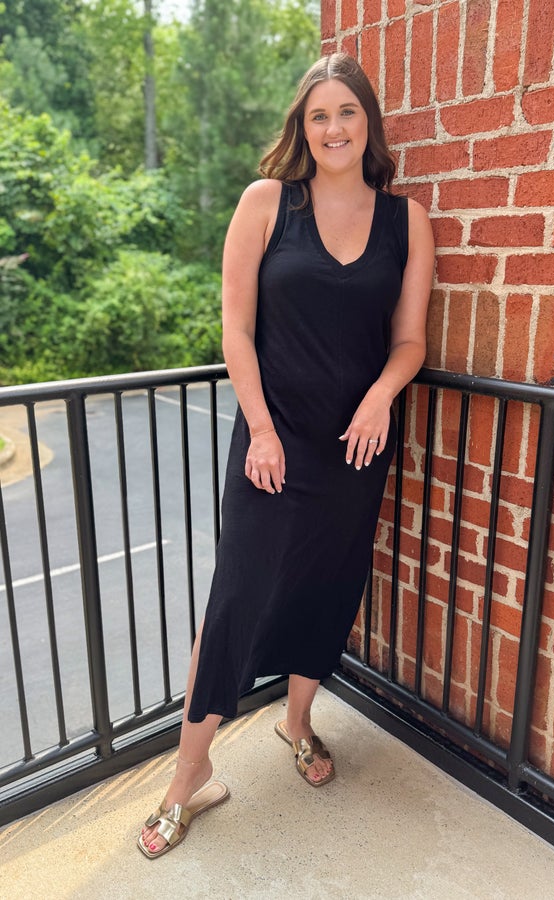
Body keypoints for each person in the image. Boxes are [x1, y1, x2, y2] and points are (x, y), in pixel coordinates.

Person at [138, 51, 434, 859]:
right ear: (301, 129)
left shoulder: (407, 221)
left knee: (326, 588)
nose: (334, 127)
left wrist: (381, 394)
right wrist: (260, 428)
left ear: (367, 121)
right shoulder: (267, 202)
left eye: (346, 111)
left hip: (356, 445)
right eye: (318, 114)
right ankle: (188, 778)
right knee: (236, 600)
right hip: (273, 442)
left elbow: (408, 341)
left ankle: (296, 722)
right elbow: (235, 328)